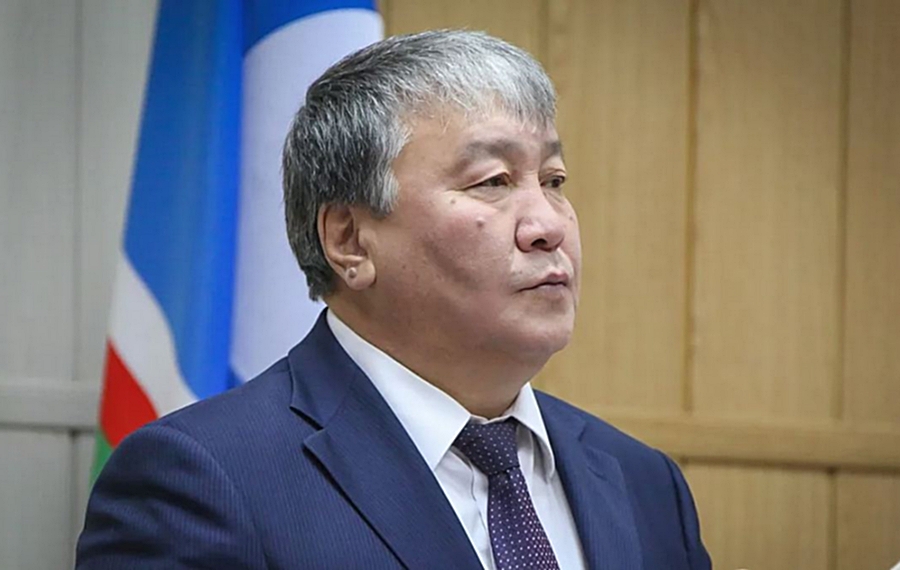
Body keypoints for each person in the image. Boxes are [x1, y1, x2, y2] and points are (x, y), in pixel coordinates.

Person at [76, 30, 711, 569]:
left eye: (554, 180)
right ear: (349, 241)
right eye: (492, 181)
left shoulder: (644, 482)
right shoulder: (201, 478)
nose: (548, 224)